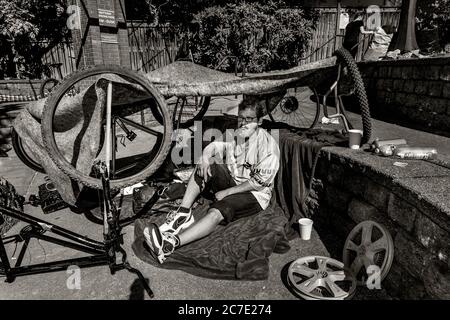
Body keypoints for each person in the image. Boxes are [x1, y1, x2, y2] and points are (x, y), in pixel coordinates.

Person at [144, 96, 281, 264]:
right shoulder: (234, 134)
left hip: (254, 194)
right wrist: (204, 156)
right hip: (233, 180)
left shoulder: (268, 147)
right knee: (207, 162)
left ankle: (169, 244)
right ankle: (183, 213)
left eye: (249, 120)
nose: (243, 124)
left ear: (259, 121)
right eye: (241, 119)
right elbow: (214, 146)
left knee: (217, 211)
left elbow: (258, 183)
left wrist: (228, 192)